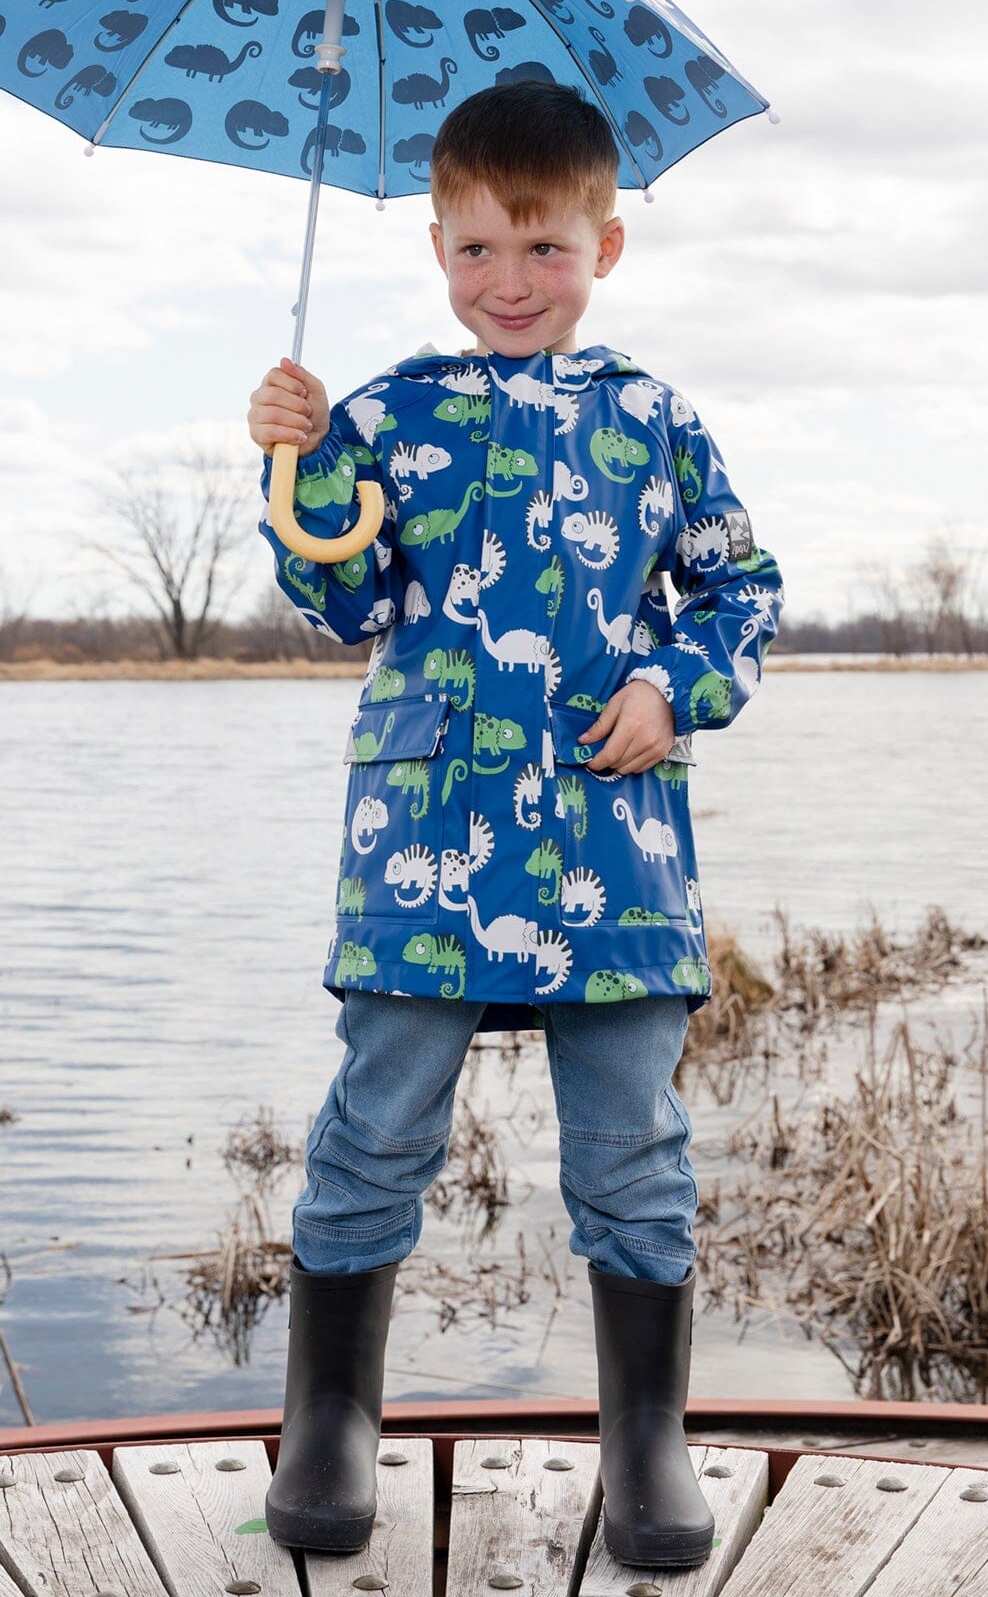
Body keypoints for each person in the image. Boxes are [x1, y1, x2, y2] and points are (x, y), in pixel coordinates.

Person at [246, 80, 783, 1568]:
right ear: (435, 246)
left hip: (612, 858)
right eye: (477, 250)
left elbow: (743, 591)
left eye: (542, 249)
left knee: (634, 1150)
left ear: (605, 246)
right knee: (377, 1133)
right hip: (426, 848)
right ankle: (332, 1420)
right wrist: (293, 463)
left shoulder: (654, 419)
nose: (509, 283)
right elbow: (340, 596)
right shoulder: (384, 417)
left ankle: (648, 1440)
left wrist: (678, 689)